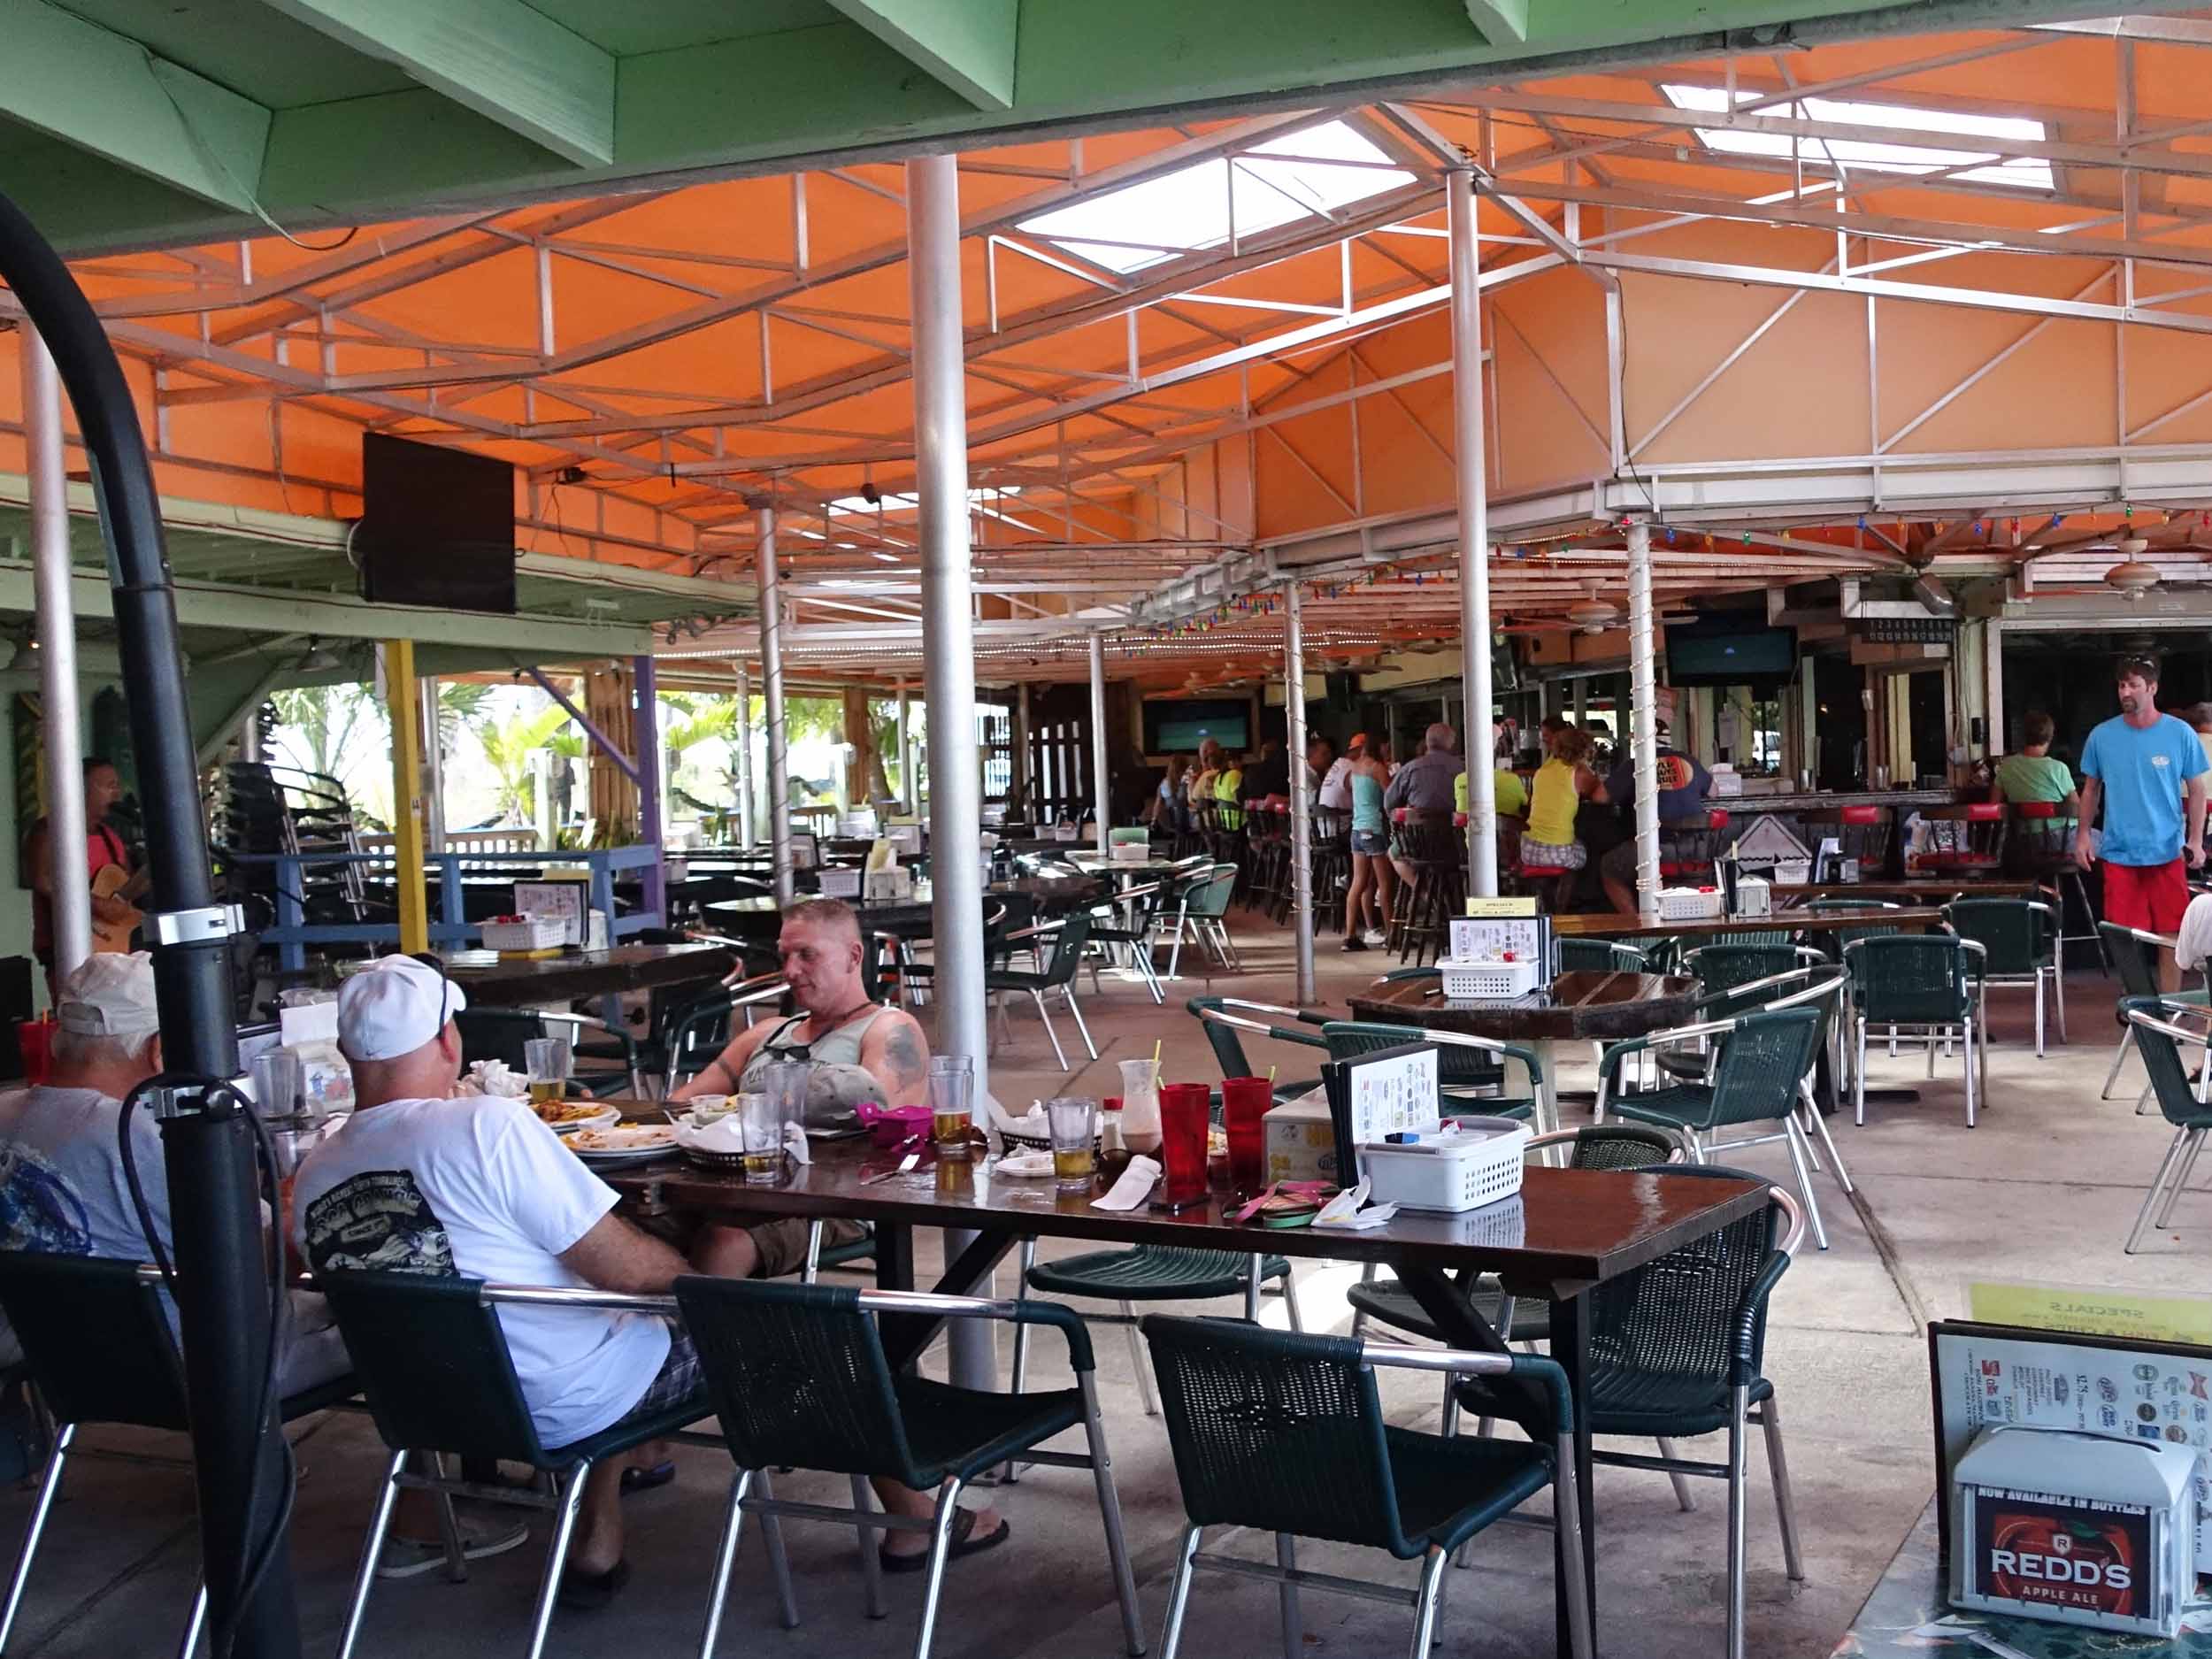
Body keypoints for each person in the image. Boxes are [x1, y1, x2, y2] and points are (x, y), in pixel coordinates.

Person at [0, 953, 354, 1388]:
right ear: (159, 1051)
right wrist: (298, 1202)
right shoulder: (142, 1139)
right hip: (194, 1367)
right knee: (378, 1325)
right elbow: (259, 1258)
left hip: (53, 1361)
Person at [673, 898, 928, 1280]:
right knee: (622, 1221)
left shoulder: (890, 1029)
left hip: (839, 1203)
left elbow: (872, 1110)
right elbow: (681, 1106)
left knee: (722, 1242)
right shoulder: (767, 1032)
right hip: (739, 1190)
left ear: (853, 956)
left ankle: (687, 1338)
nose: (790, 971)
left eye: (807, 955)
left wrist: (754, 1101)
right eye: (785, 956)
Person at [2076, 657, 2209, 992]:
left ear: (2152, 688)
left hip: (2166, 851)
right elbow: (2090, 789)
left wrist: (2195, 840)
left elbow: (2196, 790)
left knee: (2171, 934)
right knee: (2124, 936)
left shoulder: (2180, 733)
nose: (2126, 691)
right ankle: (2139, 1005)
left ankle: (2169, 1005)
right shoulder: (2102, 736)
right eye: (2122, 685)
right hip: (2119, 851)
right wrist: (2082, 837)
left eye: (2134, 685)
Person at [25, 758, 142, 999]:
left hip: (116, 953)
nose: (117, 793)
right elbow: (43, 881)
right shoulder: (48, 831)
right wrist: (98, 905)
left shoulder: (111, 837)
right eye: (109, 786)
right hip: (69, 954)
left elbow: (124, 888)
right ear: (82, 788)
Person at [1599, 719, 1712, 917]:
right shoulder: (1689, 761)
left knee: (1609, 867)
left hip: (1654, 851)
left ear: (1640, 742)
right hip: (1697, 853)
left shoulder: (1636, 766)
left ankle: (1636, 923)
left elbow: (1599, 797)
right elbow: (1715, 792)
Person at [1522, 726, 1606, 877]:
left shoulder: (1543, 769)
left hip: (1528, 850)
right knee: (1591, 850)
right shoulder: (1579, 773)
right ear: (1584, 751)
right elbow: (1601, 798)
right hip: (1557, 853)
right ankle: (1569, 898)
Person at [1341, 735, 1394, 951]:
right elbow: (1391, 796)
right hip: (1374, 829)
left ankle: (1350, 936)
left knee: (1358, 883)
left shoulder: (1354, 769)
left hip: (1357, 829)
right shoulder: (1377, 768)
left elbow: (1347, 787)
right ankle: (1392, 934)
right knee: (1385, 884)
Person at [1989, 710, 2080, 827]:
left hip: (2022, 839)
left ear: (2023, 736)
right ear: (2050, 737)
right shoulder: (2058, 768)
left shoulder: (2006, 766)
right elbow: (2076, 808)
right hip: (2061, 838)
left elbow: (1993, 804)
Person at [1383, 722, 1463, 815]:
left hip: (1417, 826)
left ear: (1427, 742)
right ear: (1451, 743)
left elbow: (1389, 803)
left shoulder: (1410, 769)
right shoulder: (1462, 768)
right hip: (1454, 827)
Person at [1317, 733, 1363, 811]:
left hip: (1327, 821)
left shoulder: (1341, 763)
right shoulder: (1350, 767)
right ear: (1361, 749)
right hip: (1340, 821)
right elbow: (1363, 791)